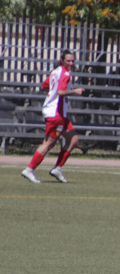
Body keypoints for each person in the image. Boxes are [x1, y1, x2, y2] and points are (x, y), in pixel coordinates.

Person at [22, 50, 86, 183]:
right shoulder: (65, 73)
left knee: (73, 139)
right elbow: (61, 92)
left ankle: (57, 168)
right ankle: (29, 169)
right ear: (62, 60)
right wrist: (75, 91)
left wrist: (53, 92)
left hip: (59, 114)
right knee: (49, 144)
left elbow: (44, 87)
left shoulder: (55, 71)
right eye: (68, 60)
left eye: (73, 61)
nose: (71, 63)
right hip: (56, 113)